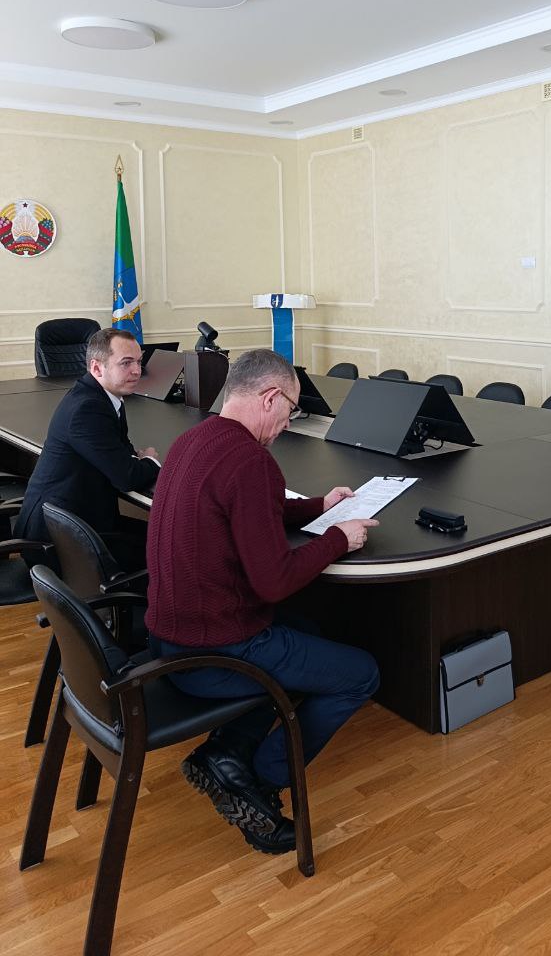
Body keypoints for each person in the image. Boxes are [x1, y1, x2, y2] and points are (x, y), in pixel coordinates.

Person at [146, 348, 379, 856]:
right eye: (291, 409)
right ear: (270, 397)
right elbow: (274, 581)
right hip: (215, 651)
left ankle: (227, 753)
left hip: (169, 636)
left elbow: (250, 510)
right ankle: (255, 780)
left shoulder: (194, 440)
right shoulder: (252, 462)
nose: (288, 422)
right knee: (361, 674)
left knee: (310, 632)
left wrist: (319, 507)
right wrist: (338, 538)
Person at [19, 327, 160, 567]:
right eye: (126, 363)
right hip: (56, 539)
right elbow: (127, 477)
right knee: (165, 545)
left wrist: (132, 461)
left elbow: (123, 451)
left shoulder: (102, 396)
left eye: (139, 361)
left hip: (77, 519)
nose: (137, 370)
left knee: (160, 534)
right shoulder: (87, 409)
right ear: (96, 368)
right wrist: (150, 460)